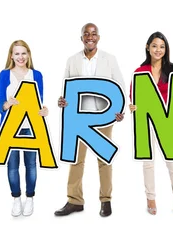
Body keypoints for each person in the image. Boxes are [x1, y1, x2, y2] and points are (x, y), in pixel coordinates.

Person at [54, 23, 126, 218]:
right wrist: (62, 101)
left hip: (103, 117)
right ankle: (74, 201)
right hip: (79, 119)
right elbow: (66, 87)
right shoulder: (72, 60)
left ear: (98, 37)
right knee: (76, 160)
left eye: (93, 34)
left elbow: (119, 85)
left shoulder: (109, 59)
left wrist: (120, 111)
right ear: (82, 38)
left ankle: (106, 200)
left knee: (104, 159)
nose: (90, 37)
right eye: (86, 34)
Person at [128, 31, 173, 215]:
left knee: (172, 162)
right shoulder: (140, 71)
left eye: (162, 47)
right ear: (148, 47)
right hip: (147, 120)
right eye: (154, 46)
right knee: (148, 162)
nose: (158, 50)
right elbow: (134, 94)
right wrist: (132, 106)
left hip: (168, 119)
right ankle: (151, 198)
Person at [0, 40, 48, 217]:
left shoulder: (37, 75)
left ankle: (30, 198)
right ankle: (16, 199)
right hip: (10, 127)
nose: (20, 57)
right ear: (11, 55)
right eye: (17, 53)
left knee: (31, 165)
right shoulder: (4, 75)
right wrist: (7, 104)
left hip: (31, 128)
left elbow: (39, 102)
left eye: (23, 53)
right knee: (12, 166)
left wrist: (44, 110)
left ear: (29, 55)